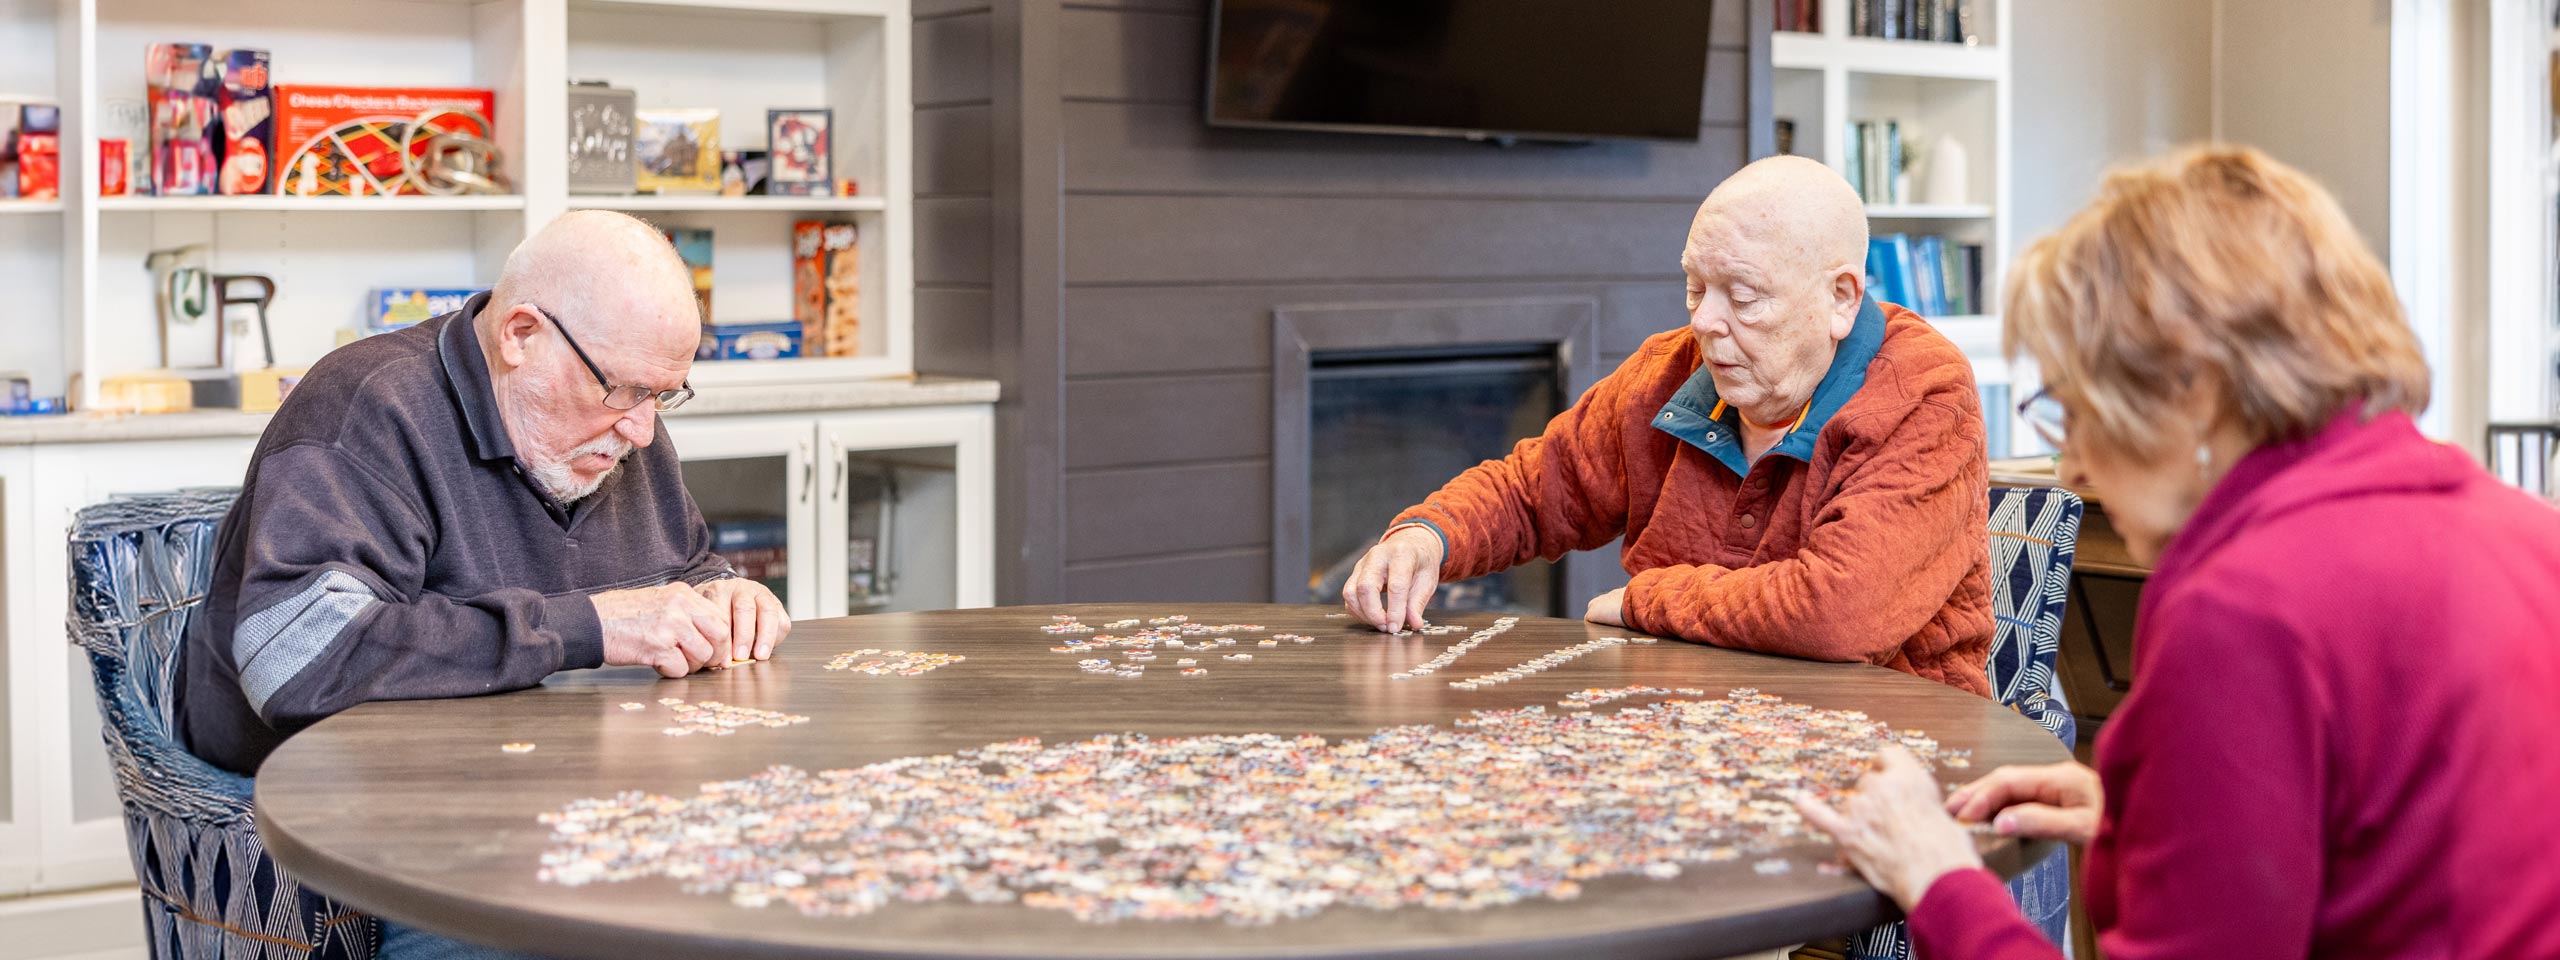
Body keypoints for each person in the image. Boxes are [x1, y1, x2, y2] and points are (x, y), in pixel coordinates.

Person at [1796, 146, 2560, 957]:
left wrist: (1938, 879)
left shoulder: (2243, 609)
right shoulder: (2529, 530)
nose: (2074, 464)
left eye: (2079, 409)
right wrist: (2174, 824)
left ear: (2193, 392)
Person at [1340, 155, 1997, 698]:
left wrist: (1644, 602)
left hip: (1891, 749)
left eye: (1742, 297)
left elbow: (1838, 613)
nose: (1706, 322)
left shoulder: (1926, 392)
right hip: (1685, 734)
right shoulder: (1671, 369)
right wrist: (1427, 537)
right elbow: (1531, 492)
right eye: (1694, 287)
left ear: (1841, 299)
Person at [180, 209, 789, 773]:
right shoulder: (369, 405)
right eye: (626, 390)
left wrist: (724, 596)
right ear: (520, 335)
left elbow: (676, 574)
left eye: (663, 395)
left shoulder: (622, 425)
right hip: (335, 801)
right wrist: (586, 627)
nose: (644, 428)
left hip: (548, 770)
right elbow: (293, 656)